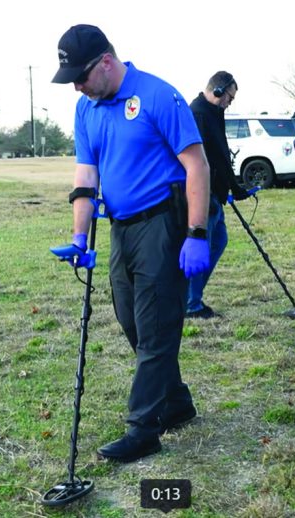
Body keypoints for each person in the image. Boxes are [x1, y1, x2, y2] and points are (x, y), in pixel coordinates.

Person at [50, 24, 211, 463]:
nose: (77, 87)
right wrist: (79, 236)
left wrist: (198, 234)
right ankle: (176, 403)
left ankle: (144, 429)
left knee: (156, 327)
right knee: (133, 324)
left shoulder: (158, 96)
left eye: (81, 77)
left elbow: (197, 165)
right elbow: (86, 177)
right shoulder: (88, 108)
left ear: (106, 61)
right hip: (121, 228)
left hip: (163, 224)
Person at [186, 71, 251, 319]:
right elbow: (201, 161)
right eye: (229, 97)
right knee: (201, 248)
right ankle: (191, 304)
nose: (229, 102)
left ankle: (191, 298)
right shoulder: (199, 114)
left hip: (216, 192)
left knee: (219, 241)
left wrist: (234, 187)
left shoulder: (214, 113)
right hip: (206, 193)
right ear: (218, 91)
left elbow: (220, 155)